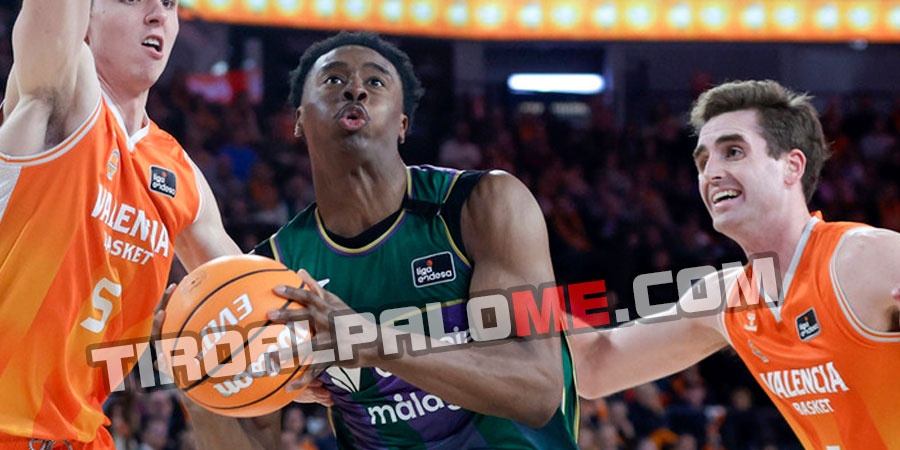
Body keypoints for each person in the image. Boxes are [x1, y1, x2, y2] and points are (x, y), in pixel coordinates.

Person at [191, 31, 579, 449]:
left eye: (375, 82)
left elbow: (537, 389)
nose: (355, 89)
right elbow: (255, 438)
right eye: (333, 80)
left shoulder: (483, 205)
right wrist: (198, 385)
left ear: (402, 124)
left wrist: (372, 342)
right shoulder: (270, 273)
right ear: (299, 119)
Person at [572, 80, 900, 449]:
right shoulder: (724, 299)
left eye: (733, 152)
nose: (711, 172)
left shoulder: (864, 257)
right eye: (703, 161)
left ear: (791, 167)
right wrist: (522, 307)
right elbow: (595, 368)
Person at [0, 1, 251, 448]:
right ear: (86, 19)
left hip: (82, 435)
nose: (158, 15)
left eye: (169, 4)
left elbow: (255, 308)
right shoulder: (57, 89)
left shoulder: (181, 175)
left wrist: (304, 363)